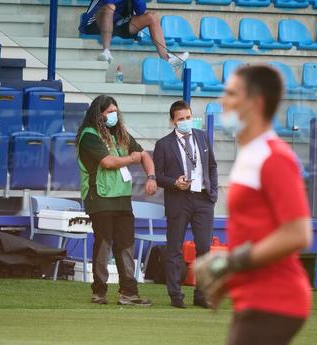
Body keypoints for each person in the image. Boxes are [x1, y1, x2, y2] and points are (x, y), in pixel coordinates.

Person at [194, 65, 313, 345]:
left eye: (232, 93)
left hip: (276, 299)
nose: (223, 100)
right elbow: (256, 232)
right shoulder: (251, 154)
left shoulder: (274, 157)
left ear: (256, 103)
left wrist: (228, 262)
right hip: (256, 299)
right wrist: (230, 279)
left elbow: (298, 233)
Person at [76, 94, 157, 306]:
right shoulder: (89, 136)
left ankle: (129, 292)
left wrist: (151, 177)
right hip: (100, 197)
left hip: (122, 198)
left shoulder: (120, 134)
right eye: (109, 112)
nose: (114, 115)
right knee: (103, 245)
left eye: (115, 111)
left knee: (126, 245)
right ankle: (99, 292)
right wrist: (131, 159)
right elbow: (108, 162)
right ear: (98, 114)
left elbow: (145, 155)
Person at [153, 100, 218, 308]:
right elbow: (157, 175)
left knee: (204, 248)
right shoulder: (163, 144)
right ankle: (176, 296)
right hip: (178, 199)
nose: (186, 122)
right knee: (174, 250)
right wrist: (174, 182)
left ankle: (202, 295)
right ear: (173, 121)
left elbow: (212, 166)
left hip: (203, 199)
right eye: (181, 119)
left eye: (188, 117)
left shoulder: (202, 137)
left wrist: (213, 193)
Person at [78, 0, 188, 68]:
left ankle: (167, 59)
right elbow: (107, 2)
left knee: (152, 17)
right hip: (94, 23)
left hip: (119, 24)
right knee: (110, 7)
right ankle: (105, 51)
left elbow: (141, 11)